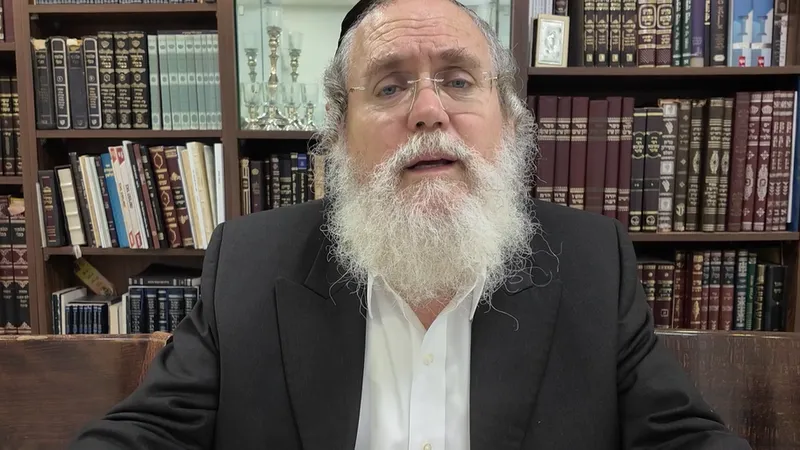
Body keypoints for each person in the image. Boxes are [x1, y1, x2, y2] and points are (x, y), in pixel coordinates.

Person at [69, 0, 753, 448]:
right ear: (339, 132)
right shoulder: (249, 264)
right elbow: (149, 432)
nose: (428, 110)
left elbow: (682, 436)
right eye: (390, 86)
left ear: (510, 120)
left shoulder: (592, 262)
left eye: (458, 80)